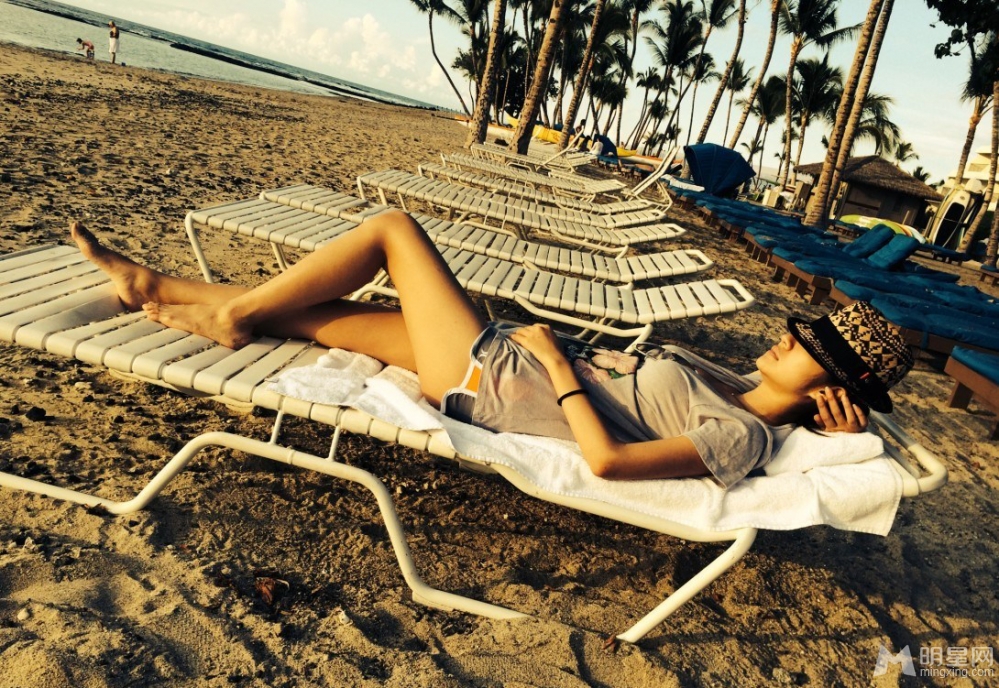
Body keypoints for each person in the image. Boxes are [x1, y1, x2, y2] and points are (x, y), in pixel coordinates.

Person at [68, 213, 913, 487]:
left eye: (807, 346)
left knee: (394, 231)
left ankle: (225, 316)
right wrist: (842, 429)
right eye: (796, 329)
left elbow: (609, 463)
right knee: (318, 317)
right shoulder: (734, 386)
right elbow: (843, 429)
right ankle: (155, 286)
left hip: (496, 378)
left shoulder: (742, 436)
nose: (784, 338)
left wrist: (557, 367)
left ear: (834, 380)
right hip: (503, 354)